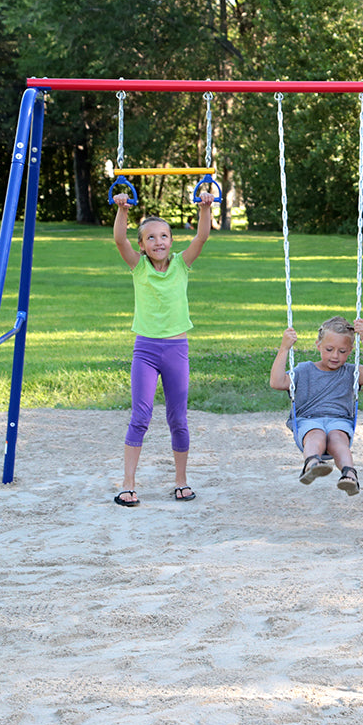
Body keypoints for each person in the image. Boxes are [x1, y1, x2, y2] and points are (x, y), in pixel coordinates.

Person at [111, 189, 213, 506]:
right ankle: (128, 483)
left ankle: (181, 481)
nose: (159, 242)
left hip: (176, 350)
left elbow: (202, 237)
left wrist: (205, 208)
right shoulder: (139, 267)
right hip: (145, 350)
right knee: (140, 415)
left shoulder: (182, 265)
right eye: (151, 238)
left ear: (171, 240)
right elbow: (119, 241)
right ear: (143, 245)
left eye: (164, 236)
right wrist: (123, 211)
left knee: (178, 418)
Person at [269, 315, 363, 495]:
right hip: (308, 420)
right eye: (329, 349)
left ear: (350, 351)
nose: (335, 356)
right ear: (318, 346)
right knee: (316, 435)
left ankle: (349, 474)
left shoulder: (350, 372)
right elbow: (276, 382)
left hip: (339, 421)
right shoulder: (304, 370)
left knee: (338, 439)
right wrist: (284, 348)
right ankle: (312, 463)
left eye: (342, 351)